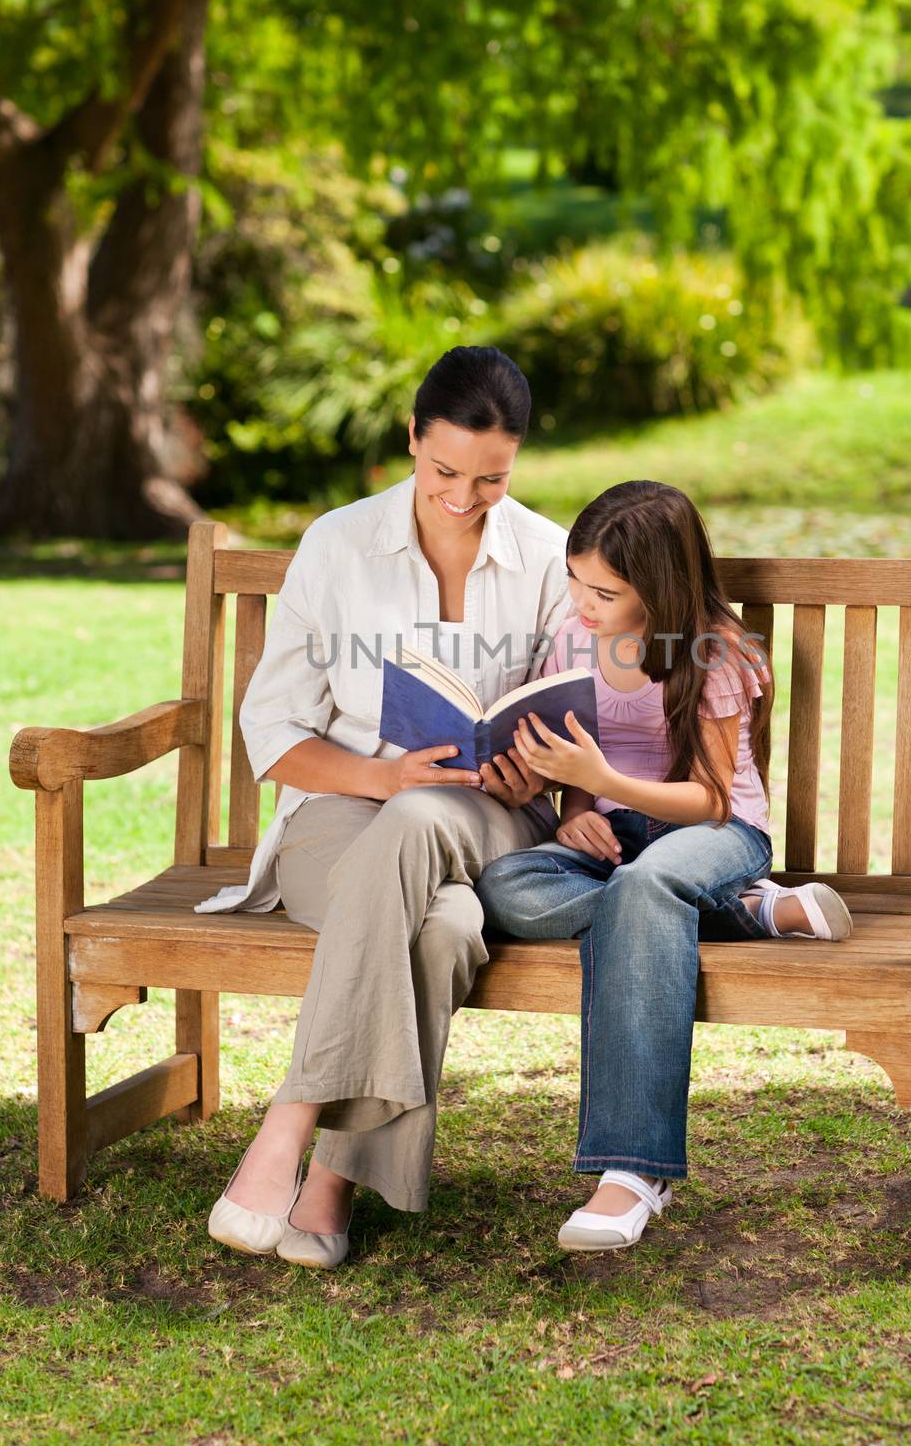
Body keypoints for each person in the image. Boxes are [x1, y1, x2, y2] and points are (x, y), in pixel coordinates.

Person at [200, 346, 575, 1269]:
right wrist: (386, 778)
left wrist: (533, 767)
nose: (463, 495)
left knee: (425, 834)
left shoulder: (546, 554)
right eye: (444, 470)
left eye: (491, 479)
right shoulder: (339, 544)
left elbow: (571, 715)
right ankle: (330, 1183)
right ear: (411, 438)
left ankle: (285, 1129)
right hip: (343, 814)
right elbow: (273, 732)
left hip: (489, 818)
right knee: (443, 928)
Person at [474, 480, 852, 1254]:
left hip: (716, 831)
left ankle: (633, 1170)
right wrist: (577, 807)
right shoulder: (574, 636)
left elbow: (712, 797)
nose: (582, 603)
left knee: (647, 887)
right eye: (574, 582)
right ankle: (750, 914)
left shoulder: (712, 652)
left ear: (659, 587)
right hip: (615, 834)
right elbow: (572, 740)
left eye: (603, 592)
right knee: (506, 886)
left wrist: (607, 784)